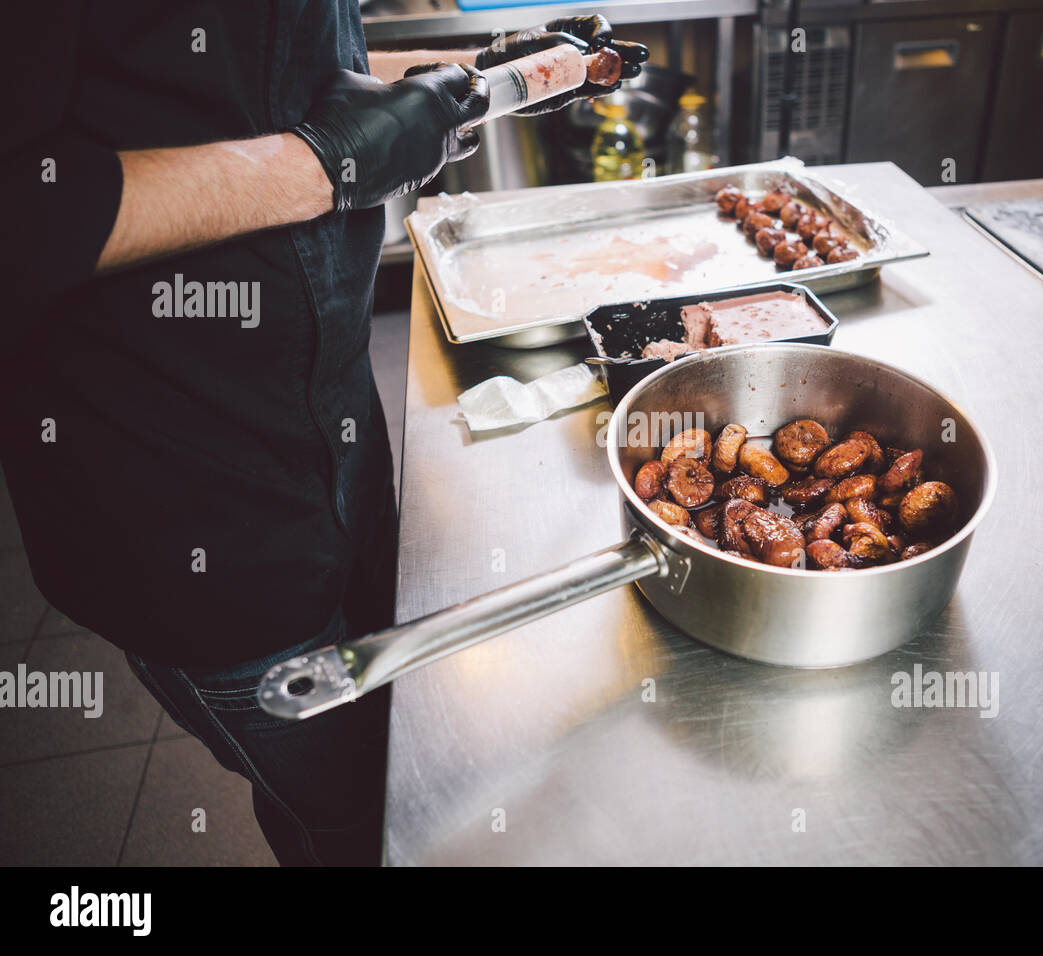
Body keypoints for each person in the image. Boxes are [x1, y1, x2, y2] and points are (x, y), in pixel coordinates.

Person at [0, 3, 647, 866]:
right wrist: (326, 164)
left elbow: (253, 67)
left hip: (330, 436)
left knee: (397, 754)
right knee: (349, 822)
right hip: (186, 503)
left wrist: (483, 76)